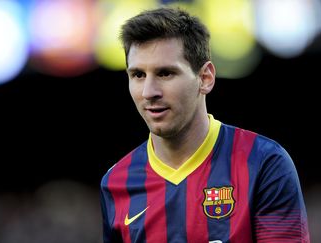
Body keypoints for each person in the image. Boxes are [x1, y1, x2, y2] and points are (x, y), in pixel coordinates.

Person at [99, 6, 310, 243]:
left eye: (166, 73)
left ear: (205, 78)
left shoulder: (264, 163)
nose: (149, 92)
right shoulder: (116, 181)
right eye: (138, 75)